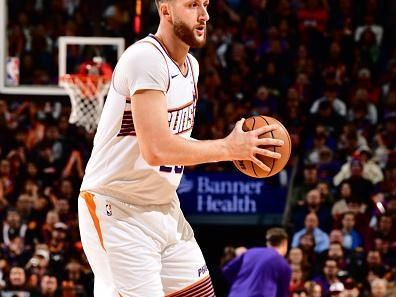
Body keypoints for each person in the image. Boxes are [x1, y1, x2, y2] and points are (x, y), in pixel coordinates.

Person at [77, 0, 284, 296]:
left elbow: (175, 141)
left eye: (206, 4)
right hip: (118, 210)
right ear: (166, 10)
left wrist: (233, 147)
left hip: (165, 207)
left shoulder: (192, 68)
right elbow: (156, 149)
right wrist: (229, 148)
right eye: (192, 5)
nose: (204, 15)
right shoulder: (145, 58)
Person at [221, 228, 291, 297]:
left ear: (268, 243)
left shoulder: (250, 252)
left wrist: (240, 285)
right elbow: (283, 294)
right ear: (284, 242)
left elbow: (227, 270)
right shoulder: (283, 264)